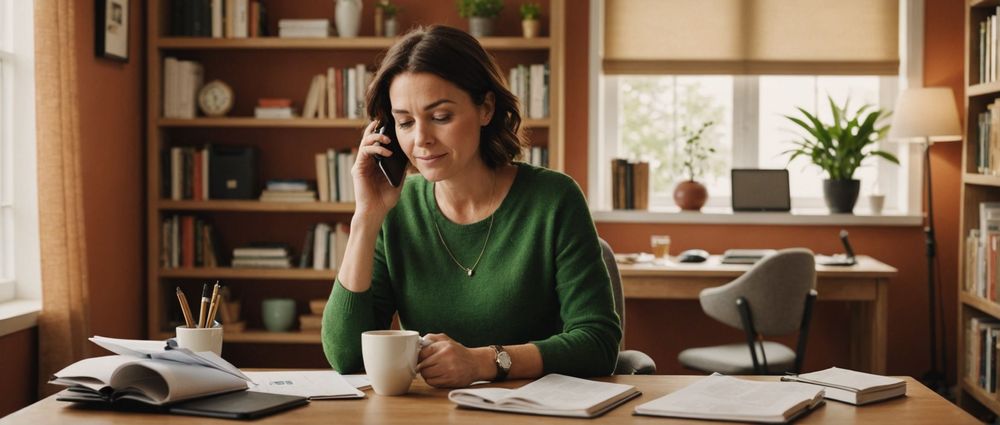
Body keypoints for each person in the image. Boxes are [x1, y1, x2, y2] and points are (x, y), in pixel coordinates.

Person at [321, 25, 620, 388]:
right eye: (404, 122)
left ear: (486, 108)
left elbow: (598, 343)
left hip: (538, 412)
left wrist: (483, 361)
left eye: (441, 117)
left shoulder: (554, 199)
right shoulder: (396, 210)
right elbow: (346, 357)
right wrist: (365, 218)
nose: (421, 139)